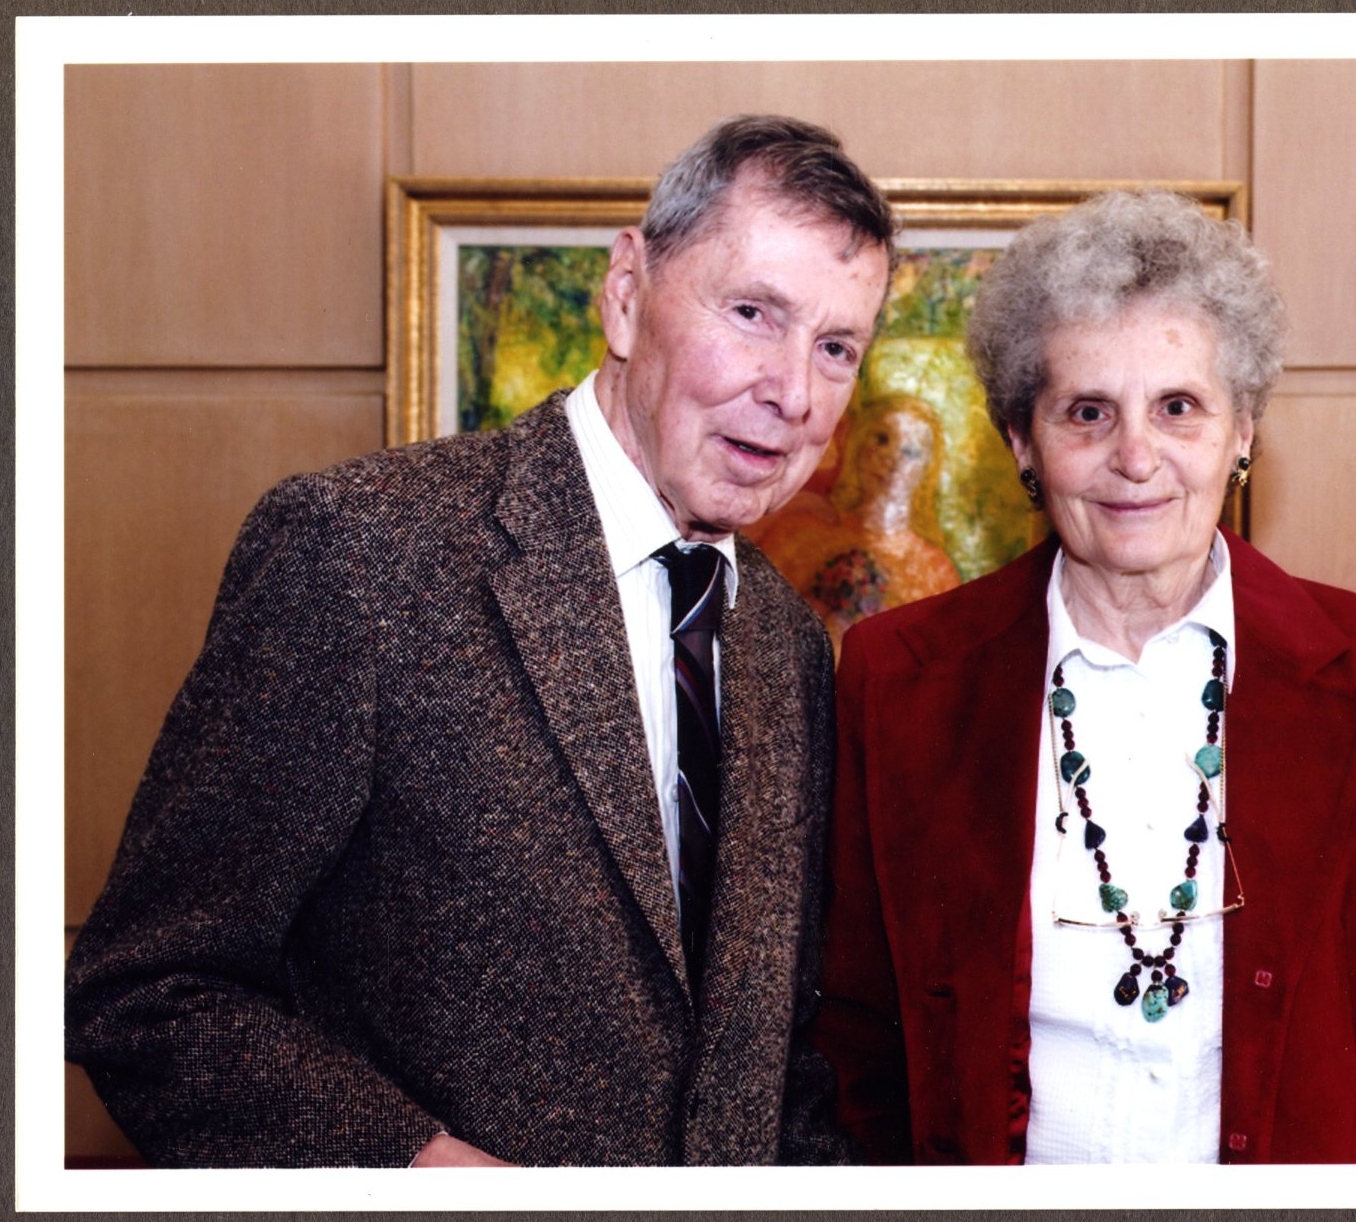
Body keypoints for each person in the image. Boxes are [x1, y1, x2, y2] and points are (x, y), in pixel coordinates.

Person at [65, 114, 895, 1168]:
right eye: (750, 313)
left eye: (835, 348)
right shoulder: (363, 551)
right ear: (628, 295)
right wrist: (418, 1170)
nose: (791, 393)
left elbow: (773, 1068)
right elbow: (149, 990)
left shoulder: (786, 642)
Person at [808, 191, 1356, 1164]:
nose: (1134, 457)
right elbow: (853, 1041)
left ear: (1243, 428)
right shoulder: (899, 679)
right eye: (1086, 412)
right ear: (1021, 440)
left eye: (1177, 407)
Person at [759, 394, 961, 653]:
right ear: (858, 443)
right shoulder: (798, 534)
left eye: (911, 452)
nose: (892, 460)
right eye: (882, 439)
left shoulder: (937, 572)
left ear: (927, 469)